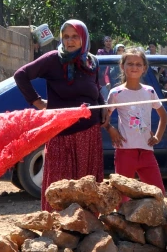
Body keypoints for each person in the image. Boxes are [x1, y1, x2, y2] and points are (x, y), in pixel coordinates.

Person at [14, 20, 104, 211]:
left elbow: (96, 89)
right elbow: (21, 75)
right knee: (59, 184)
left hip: (88, 133)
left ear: (84, 38)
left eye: (75, 36)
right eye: (66, 36)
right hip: (61, 134)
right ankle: (56, 227)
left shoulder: (91, 62)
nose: (70, 41)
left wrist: (104, 112)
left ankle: (86, 228)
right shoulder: (53, 59)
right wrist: (37, 102)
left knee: (86, 184)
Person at [105, 48, 167, 194]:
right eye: (130, 64)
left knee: (158, 193)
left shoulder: (149, 91)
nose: (134, 67)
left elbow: (164, 116)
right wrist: (111, 129)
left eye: (138, 64)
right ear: (122, 66)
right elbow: (104, 117)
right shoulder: (116, 93)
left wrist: (157, 136)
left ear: (144, 68)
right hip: (125, 151)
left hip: (146, 150)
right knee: (122, 196)